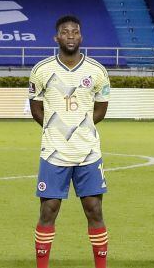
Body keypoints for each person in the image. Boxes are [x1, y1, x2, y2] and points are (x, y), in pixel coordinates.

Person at [28, 15, 111, 268]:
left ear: (81, 36)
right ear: (57, 37)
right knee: (48, 210)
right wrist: (56, 130)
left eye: (75, 31)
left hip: (88, 153)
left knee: (94, 210)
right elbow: (35, 109)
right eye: (65, 32)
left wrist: (80, 129)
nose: (71, 36)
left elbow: (101, 109)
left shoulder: (97, 71)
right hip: (54, 153)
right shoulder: (41, 70)